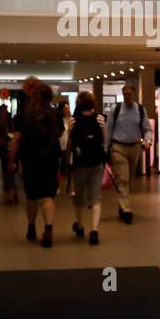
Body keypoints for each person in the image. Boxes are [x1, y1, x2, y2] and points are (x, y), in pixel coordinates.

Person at [11, 82, 68, 247]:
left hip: (30, 160)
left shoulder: (26, 115)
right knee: (48, 195)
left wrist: (11, 160)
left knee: (32, 196)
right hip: (50, 159)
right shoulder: (55, 114)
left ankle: (31, 227)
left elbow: (17, 139)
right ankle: (48, 229)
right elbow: (60, 134)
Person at [105, 83, 153, 223]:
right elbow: (108, 130)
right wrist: (105, 149)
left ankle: (122, 203)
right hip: (118, 147)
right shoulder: (116, 109)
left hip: (135, 147)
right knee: (123, 178)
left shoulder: (140, 110)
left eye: (129, 94)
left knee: (129, 181)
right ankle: (127, 210)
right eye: (125, 94)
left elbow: (147, 128)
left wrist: (148, 140)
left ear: (134, 95)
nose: (127, 96)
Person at [66, 91, 107, 245]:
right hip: (97, 163)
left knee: (79, 197)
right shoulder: (100, 118)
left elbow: (70, 141)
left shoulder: (73, 121)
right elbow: (104, 140)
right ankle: (94, 230)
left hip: (80, 164)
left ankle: (80, 225)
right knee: (96, 197)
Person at [0, 104, 18, 201]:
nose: (3, 111)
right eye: (2, 109)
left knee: (6, 166)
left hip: (5, 145)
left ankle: (6, 184)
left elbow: (12, 133)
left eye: (4, 109)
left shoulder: (9, 121)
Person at [59, 101, 75, 196]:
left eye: (68, 108)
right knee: (60, 168)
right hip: (61, 146)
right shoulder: (60, 120)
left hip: (69, 147)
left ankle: (72, 189)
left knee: (71, 168)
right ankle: (58, 186)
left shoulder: (72, 120)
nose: (67, 110)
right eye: (65, 108)